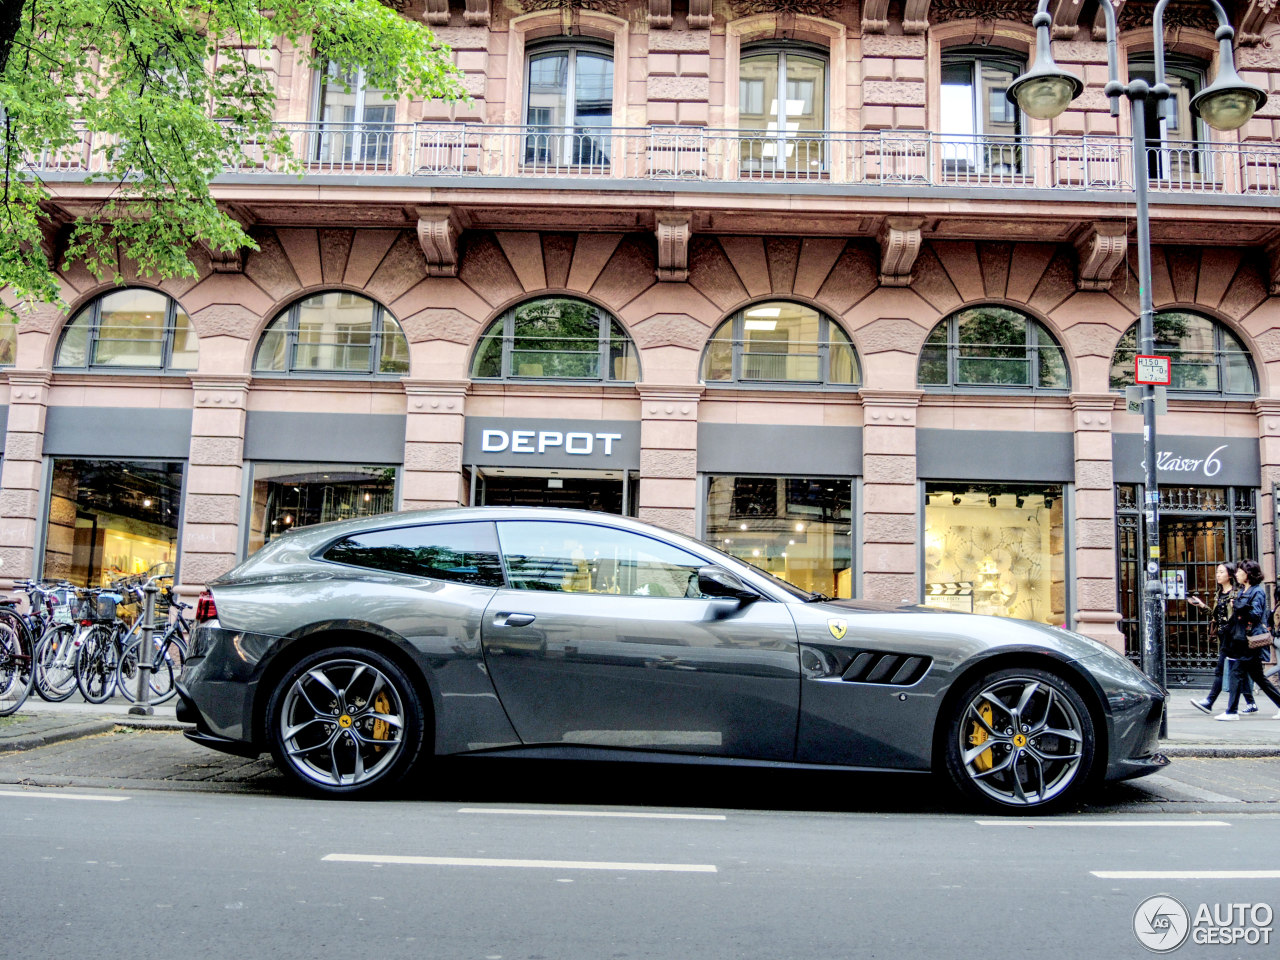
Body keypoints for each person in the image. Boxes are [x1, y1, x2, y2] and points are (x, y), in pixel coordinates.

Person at [1215, 558, 1280, 720]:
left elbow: (1256, 615)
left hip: (1250, 641)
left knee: (1236, 672)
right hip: (1242, 639)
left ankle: (1231, 711)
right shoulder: (1245, 590)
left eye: (1239, 571)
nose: (1236, 574)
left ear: (1248, 574)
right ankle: (1232, 711)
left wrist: (1238, 607)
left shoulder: (1256, 591)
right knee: (1259, 678)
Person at [1189, 561, 1257, 715]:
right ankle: (1251, 703)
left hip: (1234, 637)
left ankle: (1209, 701)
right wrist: (1201, 606)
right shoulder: (1218, 594)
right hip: (1224, 636)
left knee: (1222, 669)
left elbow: (1238, 616)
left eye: (1221, 572)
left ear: (1230, 574)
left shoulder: (1236, 593)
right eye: (1217, 572)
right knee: (1242, 670)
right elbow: (1216, 616)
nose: (1217, 575)